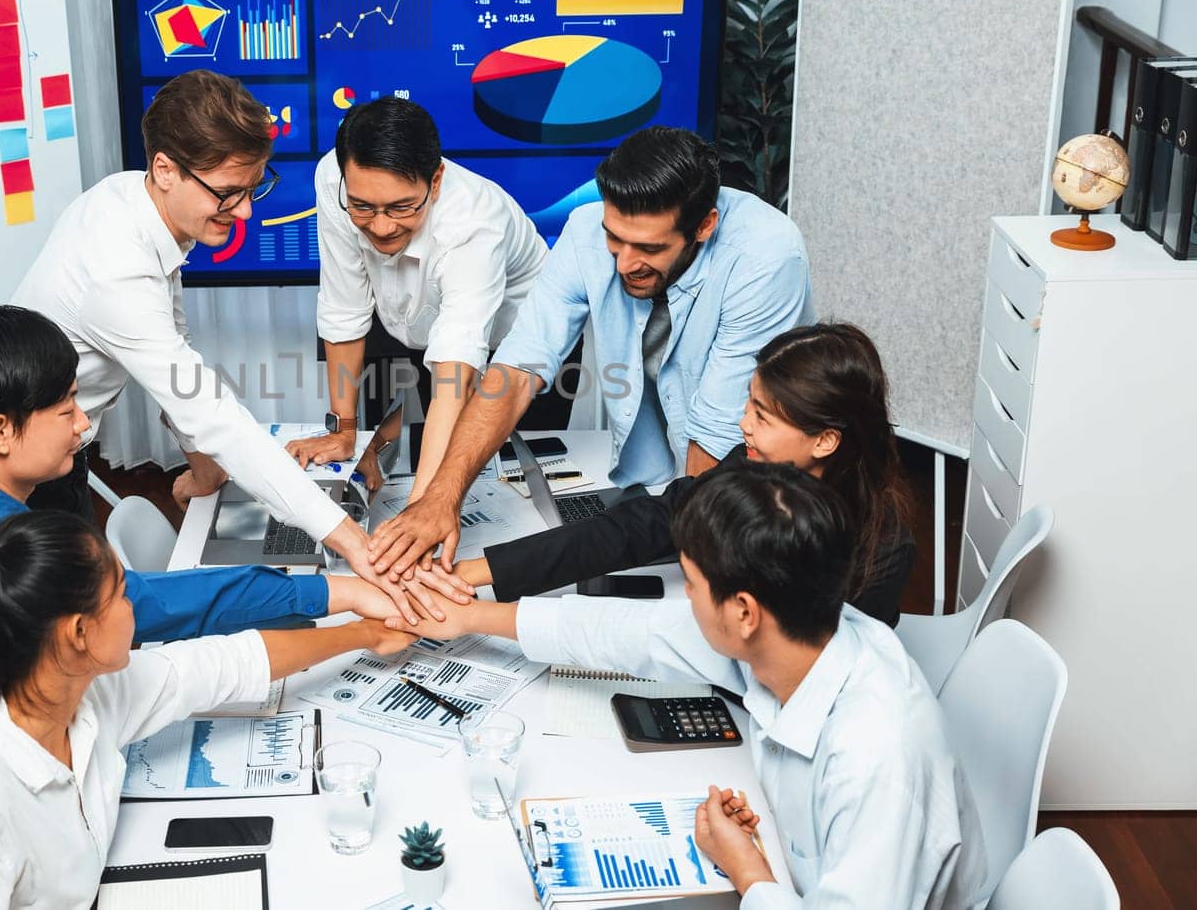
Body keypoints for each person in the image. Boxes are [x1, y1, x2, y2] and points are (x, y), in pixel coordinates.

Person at [0, 306, 405, 884]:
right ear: (1, 431)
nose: (84, 425)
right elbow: (156, 608)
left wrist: (354, 618)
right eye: (66, 408)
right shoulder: (0, 560)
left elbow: (203, 664)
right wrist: (331, 591)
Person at [385, 463, 987, 908]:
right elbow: (632, 631)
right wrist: (464, 617)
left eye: (692, 585)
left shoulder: (878, 758)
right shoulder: (807, 627)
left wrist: (748, 870)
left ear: (745, 612)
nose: (684, 598)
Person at [11, 71, 445, 616]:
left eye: (253, 188)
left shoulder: (133, 198)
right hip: (17, 479)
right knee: (58, 637)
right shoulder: (116, 265)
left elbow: (176, 355)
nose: (244, 212)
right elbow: (211, 413)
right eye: (227, 193)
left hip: (55, 455)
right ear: (165, 169)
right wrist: (353, 542)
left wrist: (206, 469)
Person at [0, 511, 417, 907]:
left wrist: (362, 633)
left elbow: (221, 664)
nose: (134, 606)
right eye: (121, 594)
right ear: (79, 632)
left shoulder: (84, 696)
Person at [371, 126, 812, 574]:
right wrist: (439, 499)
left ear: (704, 227)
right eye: (615, 238)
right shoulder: (584, 230)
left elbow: (713, 445)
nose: (623, 264)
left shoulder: (766, 258)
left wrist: (681, 549)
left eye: (648, 248)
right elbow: (515, 371)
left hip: (744, 503)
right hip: (651, 488)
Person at [446, 323, 917, 625]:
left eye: (763, 417)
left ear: (825, 440)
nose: (743, 425)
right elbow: (638, 527)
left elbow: (826, 669)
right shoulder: (750, 467)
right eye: (748, 405)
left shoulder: (883, 546)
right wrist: (469, 574)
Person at [282, 97, 549, 499]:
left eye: (401, 207)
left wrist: (424, 509)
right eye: (363, 207)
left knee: (514, 480)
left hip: (519, 339)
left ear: (435, 181)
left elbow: (456, 365)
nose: (382, 226)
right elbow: (345, 308)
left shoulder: (474, 224)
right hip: (423, 319)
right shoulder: (333, 179)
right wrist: (344, 433)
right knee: (441, 462)